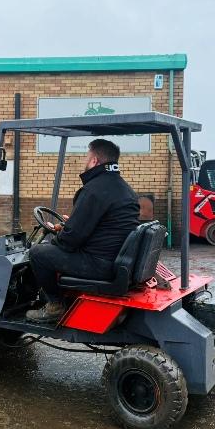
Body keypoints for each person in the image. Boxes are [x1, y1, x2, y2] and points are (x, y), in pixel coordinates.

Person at [25, 138, 140, 322]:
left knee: (38, 252)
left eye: (87, 157)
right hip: (115, 258)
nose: (85, 161)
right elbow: (106, 225)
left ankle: (55, 305)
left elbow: (69, 241)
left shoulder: (93, 190)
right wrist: (70, 226)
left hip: (99, 264)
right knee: (49, 248)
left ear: (94, 160)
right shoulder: (125, 189)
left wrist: (60, 233)